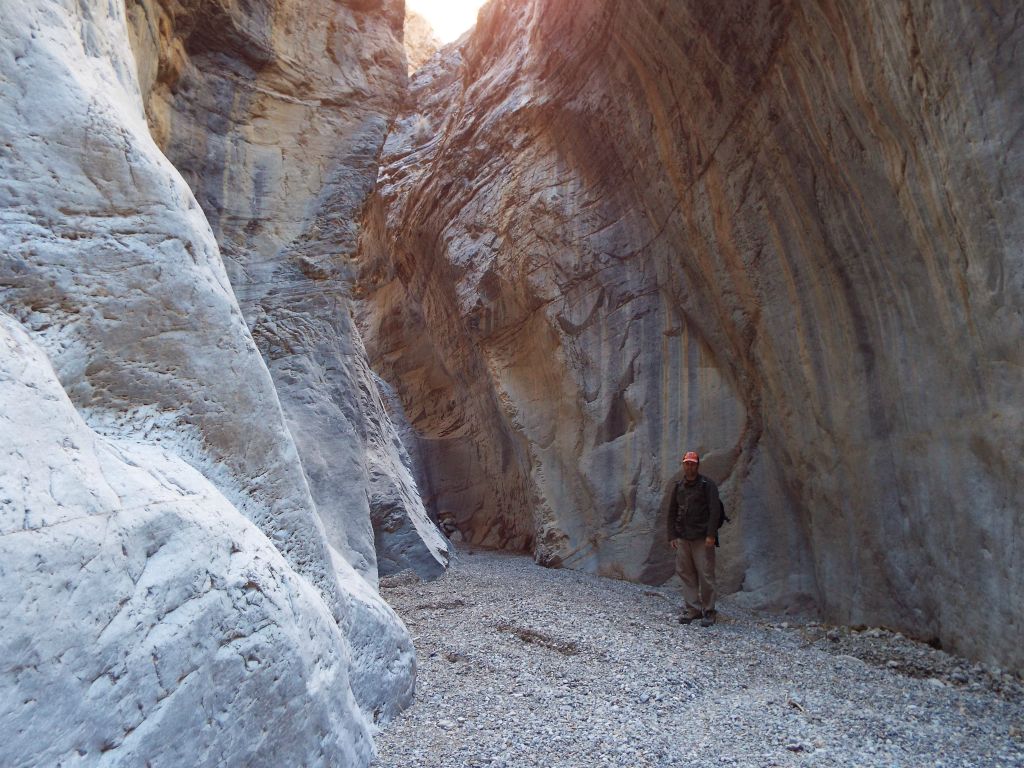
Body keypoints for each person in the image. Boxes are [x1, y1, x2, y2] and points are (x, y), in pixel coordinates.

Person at [667, 451, 722, 627]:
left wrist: (711, 535)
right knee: (687, 574)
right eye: (687, 463)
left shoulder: (707, 485)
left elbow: (715, 511)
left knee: (706, 574)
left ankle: (709, 610)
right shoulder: (678, 486)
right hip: (683, 538)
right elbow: (671, 512)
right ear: (683, 465)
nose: (689, 466)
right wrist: (672, 535)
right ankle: (693, 609)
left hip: (702, 538)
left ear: (697, 465)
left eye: (692, 464)